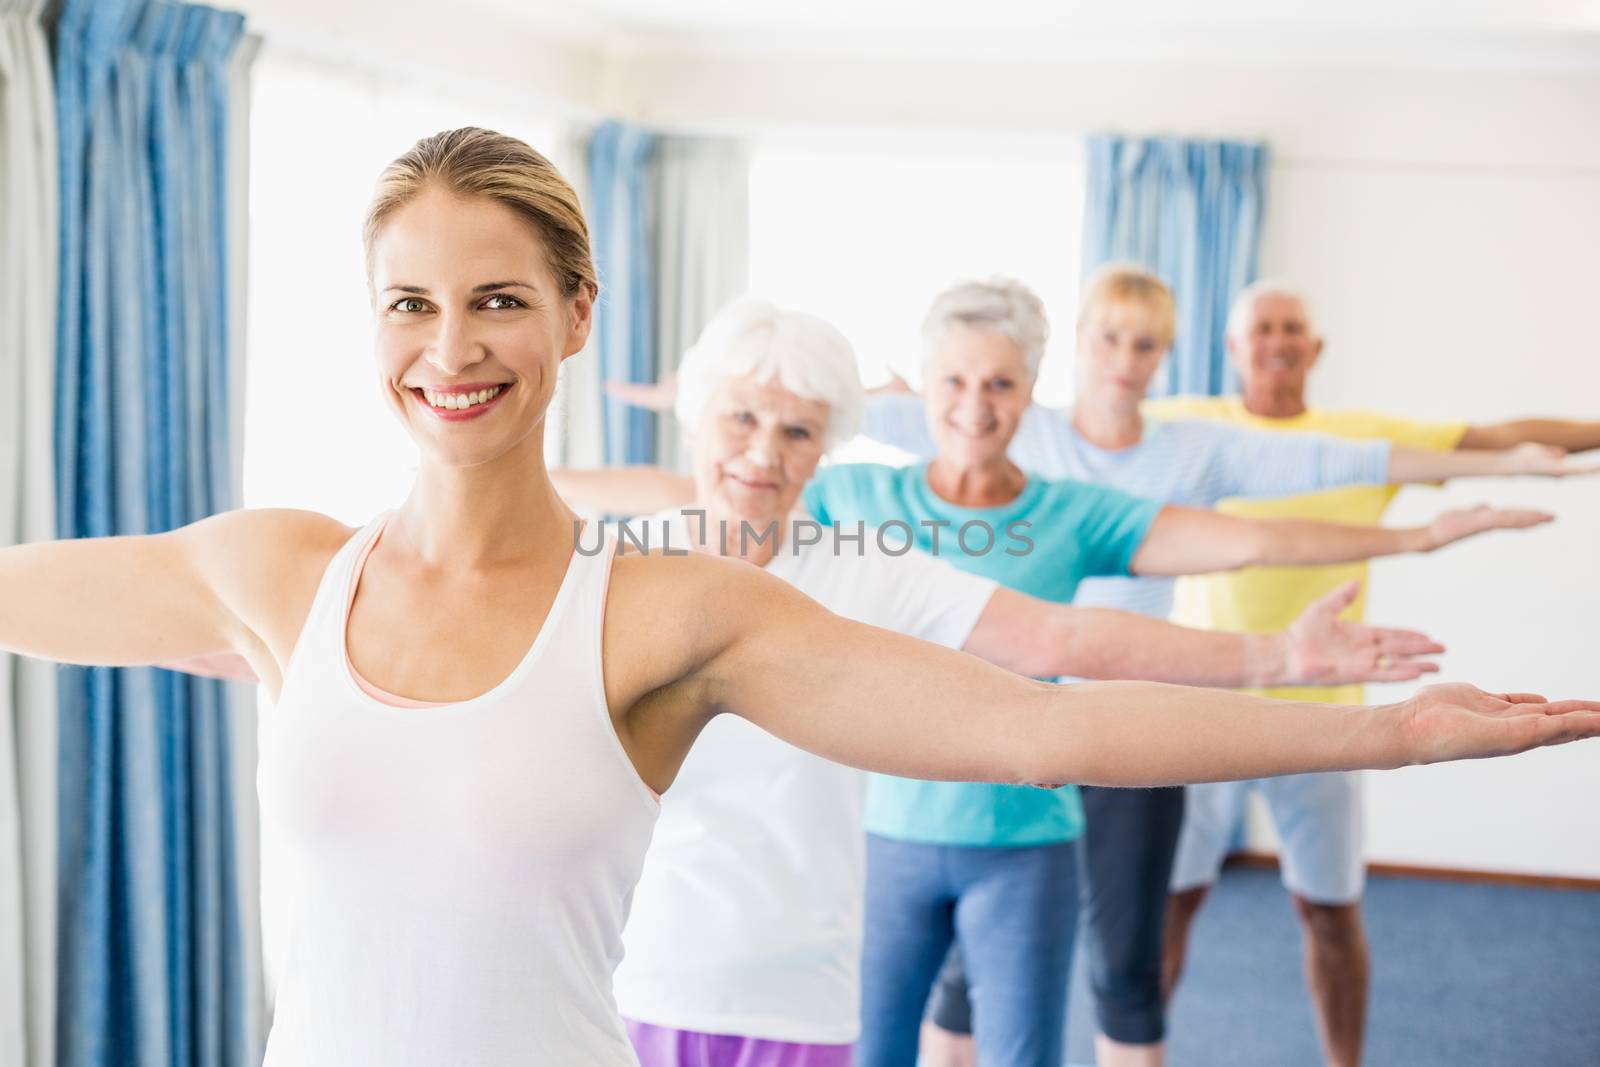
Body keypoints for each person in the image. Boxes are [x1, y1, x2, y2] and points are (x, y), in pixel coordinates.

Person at [4, 129, 1597, 1067]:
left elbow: (1034, 719)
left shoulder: (667, 610)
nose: (449, 346)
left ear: (573, 316)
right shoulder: (276, 569)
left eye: (498, 298)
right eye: (410, 302)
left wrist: (1380, 734)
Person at [560, 283, 1558, 1067]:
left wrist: (1286, 660)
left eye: (795, 432)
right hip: (628, 990)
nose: (764, 455)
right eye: (739, 419)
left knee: (1075, 999)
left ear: (827, 445)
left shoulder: (869, 556)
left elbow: (1068, 643)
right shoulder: (634, 565)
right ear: (697, 415)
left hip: (823, 980)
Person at [846, 269, 1597, 1067]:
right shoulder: (990, 439)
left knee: (1133, 961)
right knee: (964, 983)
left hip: (1157, 712)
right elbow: (824, 414)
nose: (1124, 360)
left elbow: (1307, 497)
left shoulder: (1162, 459)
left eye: (1145, 342)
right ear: (1075, 348)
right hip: (991, 749)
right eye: (1108, 337)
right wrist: (706, 390)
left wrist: (1428, 531)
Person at [1147, 280, 1600, 1067]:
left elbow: (1495, 435)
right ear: (1232, 347)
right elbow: (1068, 429)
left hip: (1330, 723)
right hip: (1200, 715)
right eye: (1262, 329)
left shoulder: (1360, 439)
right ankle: (1134, 1051)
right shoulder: (1188, 427)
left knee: (1328, 913)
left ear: (1315, 348)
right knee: (1169, 907)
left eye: (1293, 327)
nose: (1278, 341)